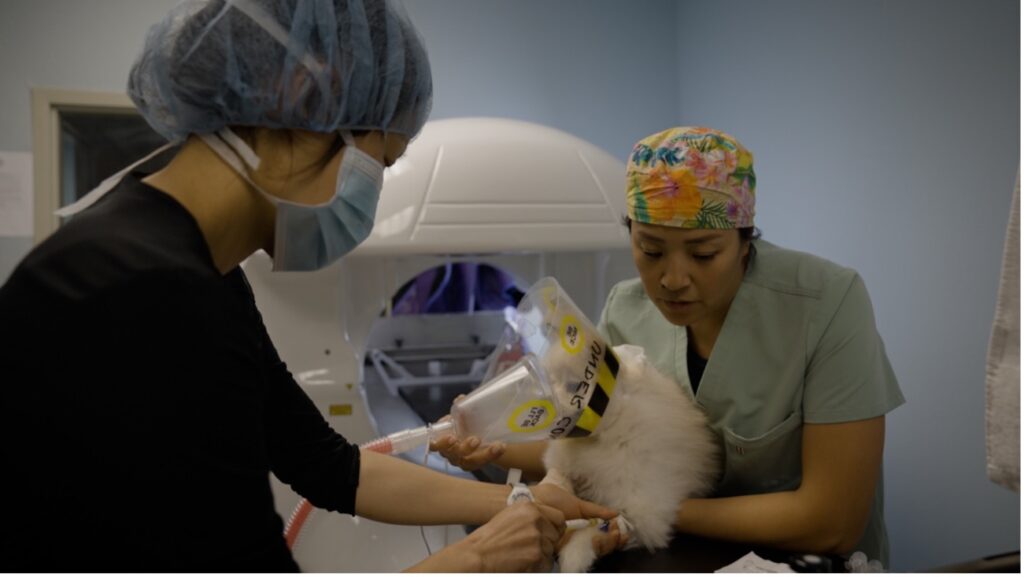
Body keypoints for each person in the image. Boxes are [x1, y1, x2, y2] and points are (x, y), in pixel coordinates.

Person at [0, 0, 618, 571]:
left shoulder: (195, 267)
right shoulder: (142, 290)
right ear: (303, 97)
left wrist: (522, 506)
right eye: (382, 163)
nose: (373, 193)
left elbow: (328, 466)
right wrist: (474, 560)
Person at [433, 126, 906, 567]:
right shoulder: (626, 309)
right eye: (651, 250)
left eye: (704, 254)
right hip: (673, 556)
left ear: (745, 241)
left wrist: (642, 509)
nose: (673, 280)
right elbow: (580, 439)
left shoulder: (825, 304)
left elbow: (833, 522)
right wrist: (490, 442)